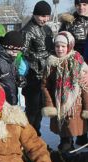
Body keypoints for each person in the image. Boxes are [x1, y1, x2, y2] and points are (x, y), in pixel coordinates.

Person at [41, 31, 88, 152]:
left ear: (70, 46)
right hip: (60, 104)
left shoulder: (78, 60)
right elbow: (45, 86)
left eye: (63, 46)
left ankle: (82, 141)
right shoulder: (51, 63)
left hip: (76, 103)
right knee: (65, 132)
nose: (60, 49)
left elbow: (85, 86)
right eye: (57, 46)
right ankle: (66, 145)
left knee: (80, 126)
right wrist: (50, 105)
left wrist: (86, 107)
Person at [21, 0, 53, 136]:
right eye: (41, 16)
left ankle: (36, 137)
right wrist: (43, 55)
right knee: (32, 110)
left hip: (46, 76)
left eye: (47, 16)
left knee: (41, 109)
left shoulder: (47, 29)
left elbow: (51, 48)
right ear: (34, 15)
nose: (44, 19)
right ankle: (28, 141)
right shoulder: (27, 31)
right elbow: (23, 52)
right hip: (32, 77)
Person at [59, 0, 88, 146]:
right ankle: (67, 138)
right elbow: (62, 42)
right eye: (79, 4)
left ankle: (83, 135)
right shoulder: (70, 21)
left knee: (86, 101)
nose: (81, 7)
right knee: (71, 100)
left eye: (85, 4)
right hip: (73, 63)